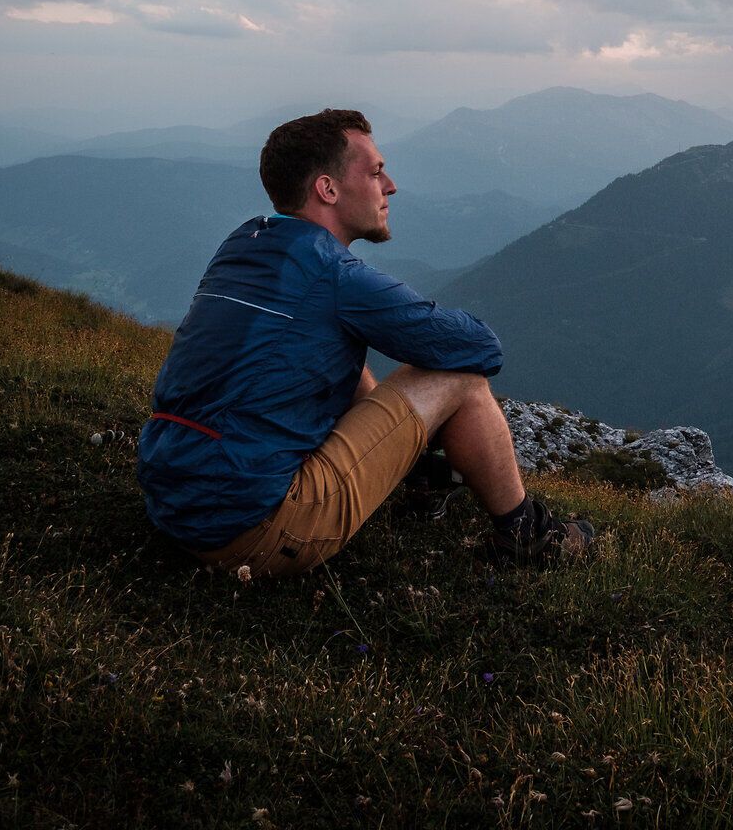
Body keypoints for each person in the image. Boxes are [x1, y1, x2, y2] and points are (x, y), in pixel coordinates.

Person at [136, 108, 592, 578]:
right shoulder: (333, 275)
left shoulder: (244, 242)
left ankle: (411, 474)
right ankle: (527, 537)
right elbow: (479, 348)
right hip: (257, 530)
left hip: (173, 502)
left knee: (333, 348)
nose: (390, 185)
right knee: (459, 378)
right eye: (375, 172)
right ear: (328, 189)